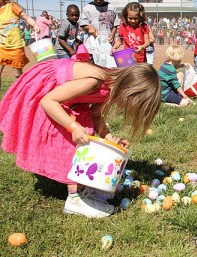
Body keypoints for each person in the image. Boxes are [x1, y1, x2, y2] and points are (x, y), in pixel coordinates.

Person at [0, 58, 162, 218]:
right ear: (128, 91)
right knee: (73, 142)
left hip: (64, 100)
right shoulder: (94, 81)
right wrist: (73, 127)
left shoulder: (111, 89)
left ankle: (83, 189)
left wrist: (110, 137)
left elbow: (96, 117)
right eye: (131, 105)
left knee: (85, 131)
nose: (127, 109)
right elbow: (48, 100)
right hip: (46, 92)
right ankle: (75, 199)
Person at [0, 0, 39, 89]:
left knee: (18, 74)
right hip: (1, 46)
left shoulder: (12, 7)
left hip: (15, 46)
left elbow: (25, 17)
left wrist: (34, 24)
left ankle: (22, 91)